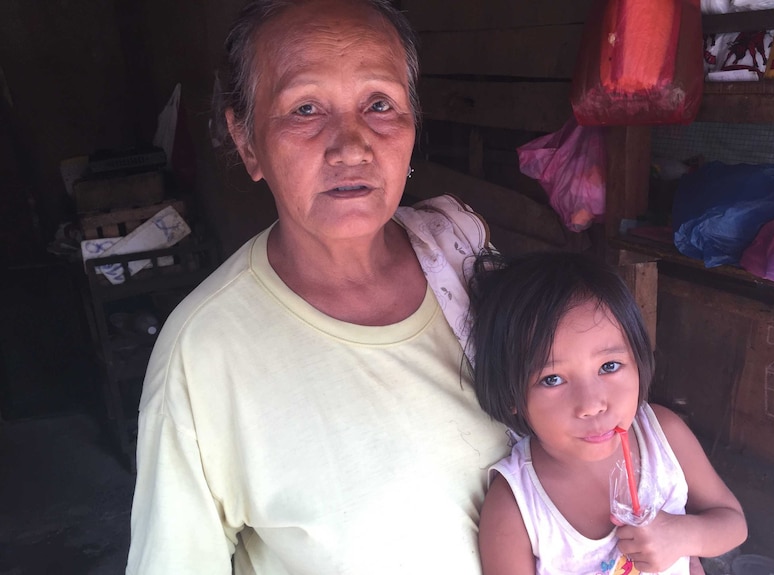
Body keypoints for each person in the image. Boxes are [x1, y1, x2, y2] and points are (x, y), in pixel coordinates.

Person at [125, 1, 510, 573]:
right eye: (305, 109)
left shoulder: (462, 257)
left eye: (379, 104)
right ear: (247, 141)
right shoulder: (204, 354)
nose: (351, 147)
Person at [468, 251, 748, 575]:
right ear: (511, 395)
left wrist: (682, 536)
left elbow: (733, 522)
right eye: (552, 379)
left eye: (609, 366)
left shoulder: (663, 435)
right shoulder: (515, 507)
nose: (592, 404)